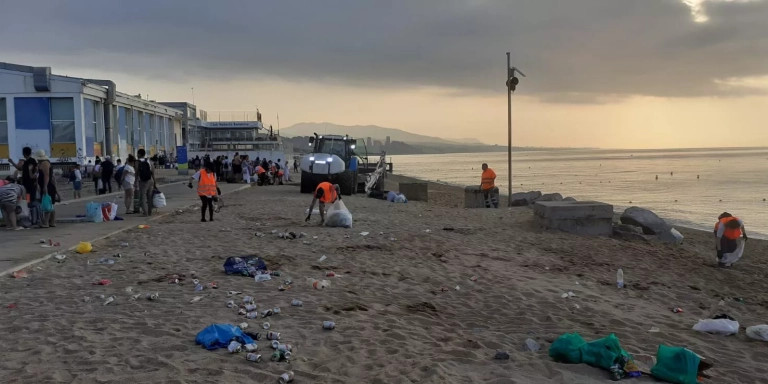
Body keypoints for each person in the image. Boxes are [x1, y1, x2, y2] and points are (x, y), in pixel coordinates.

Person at [34, 149, 59, 228]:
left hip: (47, 186)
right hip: (47, 185)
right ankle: (52, 222)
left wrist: (45, 186)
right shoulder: (42, 163)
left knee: (47, 204)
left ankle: (46, 222)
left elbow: (46, 175)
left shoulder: (45, 163)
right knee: (50, 204)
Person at [136, 149, 155, 217]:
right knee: (149, 197)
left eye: (137, 154)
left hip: (143, 181)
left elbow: (137, 172)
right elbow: (152, 171)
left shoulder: (138, 162)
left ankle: (145, 213)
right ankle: (150, 212)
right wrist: (154, 182)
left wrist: (135, 181)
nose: (137, 155)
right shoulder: (148, 161)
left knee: (143, 197)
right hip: (151, 180)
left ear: (139, 154)